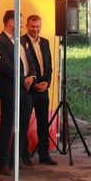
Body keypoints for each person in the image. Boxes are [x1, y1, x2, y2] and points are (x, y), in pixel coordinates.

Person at [0, 11, 35, 176]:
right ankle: (3, 162)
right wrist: (23, 78)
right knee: (7, 125)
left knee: (23, 125)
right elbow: (5, 65)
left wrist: (32, 76)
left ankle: (15, 159)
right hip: (10, 90)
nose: (22, 25)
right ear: (11, 22)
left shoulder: (23, 40)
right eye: (20, 22)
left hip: (25, 89)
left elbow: (30, 61)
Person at [22, 15, 57, 166]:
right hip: (29, 89)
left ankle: (44, 154)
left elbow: (49, 66)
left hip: (43, 88)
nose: (35, 30)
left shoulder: (46, 42)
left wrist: (47, 83)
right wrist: (34, 83)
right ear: (26, 26)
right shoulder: (22, 42)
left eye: (37, 26)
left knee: (43, 123)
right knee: (24, 123)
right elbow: (23, 67)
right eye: (32, 27)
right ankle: (25, 156)